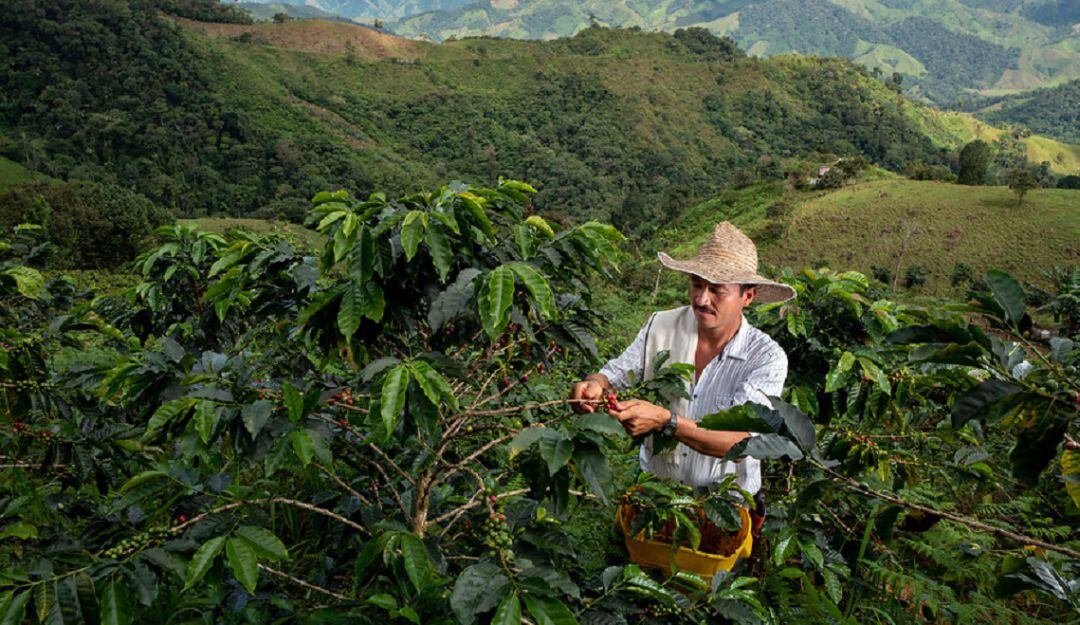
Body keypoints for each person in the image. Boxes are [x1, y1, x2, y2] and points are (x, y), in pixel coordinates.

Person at [569, 222, 796, 500]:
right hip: (657, 496)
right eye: (697, 285)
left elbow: (742, 443)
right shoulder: (661, 326)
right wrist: (592, 387)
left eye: (717, 290)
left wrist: (666, 421)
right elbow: (612, 376)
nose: (702, 299)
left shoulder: (765, 358)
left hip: (726, 503)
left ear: (747, 296)